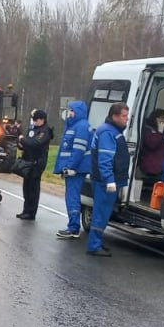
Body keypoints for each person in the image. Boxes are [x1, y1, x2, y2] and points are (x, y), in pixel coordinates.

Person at [88, 102, 130, 257]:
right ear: (114, 116)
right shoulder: (108, 132)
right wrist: (109, 180)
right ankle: (94, 245)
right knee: (101, 213)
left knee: (103, 212)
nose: (127, 119)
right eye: (124, 116)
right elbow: (105, 159)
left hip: (104, 180)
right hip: (104, 182)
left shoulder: (110, 130)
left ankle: (96, 242)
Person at [52, 101, 94, 239]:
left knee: (72, 197)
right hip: (73, 168)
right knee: (72, 196)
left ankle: (73, 227)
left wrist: (71, 167)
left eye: (72, 111)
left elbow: (78, 150)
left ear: (78, 112)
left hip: (76, 169)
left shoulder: (81, 126)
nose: (69, 113)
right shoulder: (75, 125)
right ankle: (73, 226)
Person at [16, 109, 53, 220]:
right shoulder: (33, 130)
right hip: (28, 161)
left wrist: (23, 140)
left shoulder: (45, 131)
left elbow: (35, 143)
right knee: (26, 187)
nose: (34, 121)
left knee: (33, 189)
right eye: (33, 119)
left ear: (42, 120)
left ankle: (31, 212)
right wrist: (21, 144)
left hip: (37, 163)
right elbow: (28, 143)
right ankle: (26, 210)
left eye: (36, 119)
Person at [138, 108, 164, 200]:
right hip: (149, 160)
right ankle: (161, 192)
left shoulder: (158, 129)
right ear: (155, 118)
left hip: (158, 158)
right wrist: (159, 132)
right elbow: (152, 144)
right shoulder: (148, 129)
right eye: (161, 118)